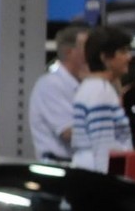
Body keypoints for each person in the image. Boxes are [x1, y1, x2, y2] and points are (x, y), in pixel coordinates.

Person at [69, 25, 135, 173]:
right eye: (123, 52)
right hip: (96, 174)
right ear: (104, 57)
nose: (128, 57)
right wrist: (106, 184)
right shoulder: (101, 92)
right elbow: (103, 146)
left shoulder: (89, 87)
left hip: (86, 169)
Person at [29, 24, 90, 163]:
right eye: (86, 48)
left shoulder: (84, 84)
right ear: (69, 52)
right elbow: (69, 133)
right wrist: (104, 132)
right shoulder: (50, 85)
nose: (92, 54)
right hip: (60, 167)